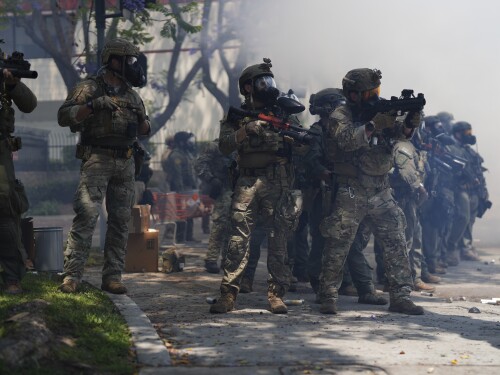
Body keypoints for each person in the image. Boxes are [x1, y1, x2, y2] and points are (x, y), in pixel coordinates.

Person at [317, 68, 423, 315]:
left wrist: (409, 125)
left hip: (380, 189)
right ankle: (328, 296)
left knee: (396, 239)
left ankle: (400, 296)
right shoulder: (340, 114)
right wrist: (373, 126)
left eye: (377, 91)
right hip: (351, 189)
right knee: (338, 244)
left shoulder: (380, 112)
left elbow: (400, 135)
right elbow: (345, 140)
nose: (375, 96)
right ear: (354, 94)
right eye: (370, 92)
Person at [57, 38, 150, 294]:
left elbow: (145, 130)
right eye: (127, 60)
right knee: (87, 216)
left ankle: (112, 276)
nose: (132, 65)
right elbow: (63, 116)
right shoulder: (90, 88)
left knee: (121, 221)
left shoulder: (132, 95)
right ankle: (72, 276)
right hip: (97, 159)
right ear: (113, 61)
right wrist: (92, 105)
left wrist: (142, 119)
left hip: (126, 162)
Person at [210, 58, 300, 314]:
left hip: (277, 180)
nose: (267, 85)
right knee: (238, 239)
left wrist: (287, 137)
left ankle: (276, 294)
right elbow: (225, 145)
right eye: (261, 81)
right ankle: (228, 295)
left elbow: (303, 145)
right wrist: (246, 130)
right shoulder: (237, 116)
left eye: (269, 80)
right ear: (248, 87)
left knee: (278, 239)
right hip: (247, 182)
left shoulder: (283, 113)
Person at [304, 88, 386, 305]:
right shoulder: (317, 131)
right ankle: (320, 284)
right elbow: (312, 161)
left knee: (353, 242)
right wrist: (326, 173)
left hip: (348, 190)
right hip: (325, 194)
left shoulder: (347, 129)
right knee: (324, 240)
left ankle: (363, 288)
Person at [0, 56, 37, 294]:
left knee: (5, 212)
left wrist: (13, 85)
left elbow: (29, 104)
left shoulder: (5, 82)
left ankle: (12, 277)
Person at [194, 139, 235, 273]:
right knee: (220, 224)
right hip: (223, 188)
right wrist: (211, 179)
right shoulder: (216, 146)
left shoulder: (244, 144)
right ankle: (211, 259)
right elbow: (199, 164)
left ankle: (227, 259)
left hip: (240, 188)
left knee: (234, 225)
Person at [163, 131, 198, 243]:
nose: (190, 143)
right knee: (181, 213)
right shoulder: (176, 155)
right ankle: (180, 238)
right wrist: (181, 193)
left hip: (189, 188)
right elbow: (178, 176)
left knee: (191, 211)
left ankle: (189, 236)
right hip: (181, 189)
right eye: (187, 141)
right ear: (181, 143)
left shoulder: (186, 153)